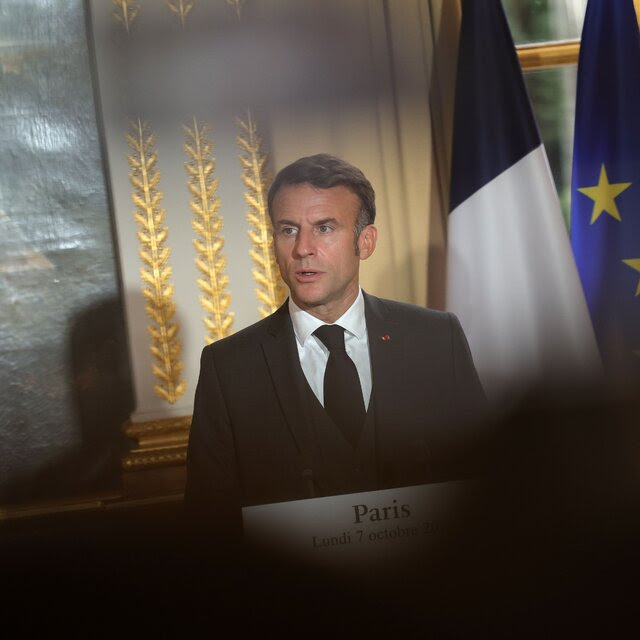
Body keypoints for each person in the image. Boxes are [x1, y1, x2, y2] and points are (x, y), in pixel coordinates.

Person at [185, 154, 485, 534]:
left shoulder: (436, 338)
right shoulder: (228, 367)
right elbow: (208, 525)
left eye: (324, 228)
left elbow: (487, 483)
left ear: (366, 241)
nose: (302, 249)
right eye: (288, 230)